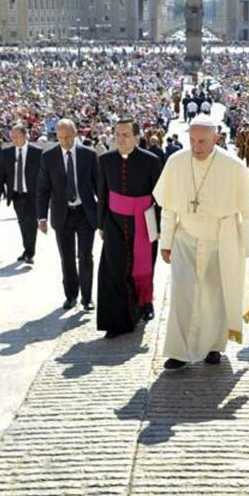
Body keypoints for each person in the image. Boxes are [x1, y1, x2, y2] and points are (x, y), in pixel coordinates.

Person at [154, 115, 249, 369]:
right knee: (182, 294)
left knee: (215, 295)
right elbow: (169, 208)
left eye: (202, 141)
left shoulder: (234, 166)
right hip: (185, 238)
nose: (196, 147)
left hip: (221, 239)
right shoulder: (176, 162)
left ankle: (215, 346)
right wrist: (166, 242)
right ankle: (178, 352)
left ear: (216, 138)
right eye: (192, 141)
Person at [96, 118, 163, 337]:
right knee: (114, 271)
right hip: (114, 223)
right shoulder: (106, 160)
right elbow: (102, 194)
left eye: (125, 135)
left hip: (143, 223)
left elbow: (160, 197)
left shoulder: (151, 161)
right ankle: (116, 321)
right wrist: (100, 224)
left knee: (142, 268)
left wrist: (160, 226)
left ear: (136, 137)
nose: (121, 139)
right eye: (117, 135)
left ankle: (145, 305)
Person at [37, 117, 99, 311]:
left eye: (67, 137)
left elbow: (98, 186)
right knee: (67, 257)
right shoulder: (48, 157)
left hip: (85, 212)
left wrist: (103, 217)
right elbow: (43, 189)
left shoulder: (88, 155)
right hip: (62, 214)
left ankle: (87, 298)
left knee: (86, 256)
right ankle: (71, 295)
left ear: (75, 134)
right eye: (60, 137)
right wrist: (42, 217)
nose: (64, 141)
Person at [0, 122, 41, 264]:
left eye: (17, 136)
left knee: (32, 223)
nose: (14, 139)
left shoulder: (37, 152)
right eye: (12, 137)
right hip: (16, 194)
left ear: (25, 135)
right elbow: (1, 175)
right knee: (22, 222)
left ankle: (30, 252)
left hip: (32, 195)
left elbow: (43, 175)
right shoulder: (7, 153)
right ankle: (27, 249)